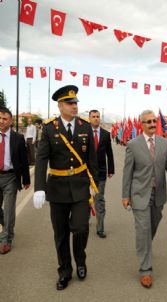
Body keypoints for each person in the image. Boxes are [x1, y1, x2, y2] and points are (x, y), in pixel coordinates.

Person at [33, 85, 99, 290]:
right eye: (70, 103)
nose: (74, 106)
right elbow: (42, 158)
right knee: (60, 233)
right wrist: (39, 188)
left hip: (80, 187)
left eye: (76, 103)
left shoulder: (85, 126)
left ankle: (80, 260)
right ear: (60, 106)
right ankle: (64, 270)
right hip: (57, 188)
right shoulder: (50, 127)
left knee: (80, 227)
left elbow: (92, 160)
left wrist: (93, 185)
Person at [122, 110, 167, 288]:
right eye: (148, 122)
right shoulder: (133, 144)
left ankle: (145, 246)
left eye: (154, 121)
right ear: (142, 125)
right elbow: (127, 172)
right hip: (139, 194)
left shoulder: (163, 142)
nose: (153, 124)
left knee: (153, 225)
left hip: (158, 193)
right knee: (143, 229)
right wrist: (125, 195)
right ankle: (145, 270)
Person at [0, 107, 30, 255]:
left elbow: (24, 160)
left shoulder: (18, 138)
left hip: (11, 177)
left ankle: (6, 240)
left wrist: (26, 179)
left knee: (9, 209)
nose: (1, 121)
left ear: (10, 121)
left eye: (4, 119)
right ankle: (7, 226)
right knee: (3, 214)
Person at [89, 110, 115, 238]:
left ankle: (100, 228)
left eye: (97, 117)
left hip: (101, 173)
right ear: (89, 118)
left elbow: (109, 154)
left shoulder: (105, 134)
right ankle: (85, 220)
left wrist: (111, 169)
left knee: (99, 199)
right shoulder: (84, 133)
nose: (95, 119)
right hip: (85, 173)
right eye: (93, 117)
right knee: (86, 198)